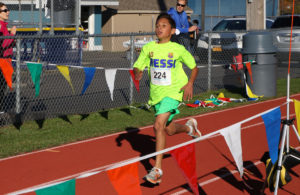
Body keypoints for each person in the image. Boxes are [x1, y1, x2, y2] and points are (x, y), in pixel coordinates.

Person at [133, 13, 201, 185]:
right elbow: (137, 66)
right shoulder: (149, 48)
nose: (159, 28)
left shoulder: (177, 49)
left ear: (171, 30)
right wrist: (138, 73)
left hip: (174, 92)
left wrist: (190, 84)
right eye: (157, 25)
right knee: (168, 130)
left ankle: (157, 170)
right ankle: (189, 128)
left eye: (163, 25)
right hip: (156, 96)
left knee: (158, 125)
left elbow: (194, 67)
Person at [0, 2, 16, 112]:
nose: (8, 12)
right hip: (2, 60)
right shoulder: (0, 26)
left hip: (6, 60)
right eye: (5, 10)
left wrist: (12, 39)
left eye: (8, 10)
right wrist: (12, 35)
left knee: (2, 88)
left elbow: (9, 44)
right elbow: (3, 44)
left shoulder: (4, 25)